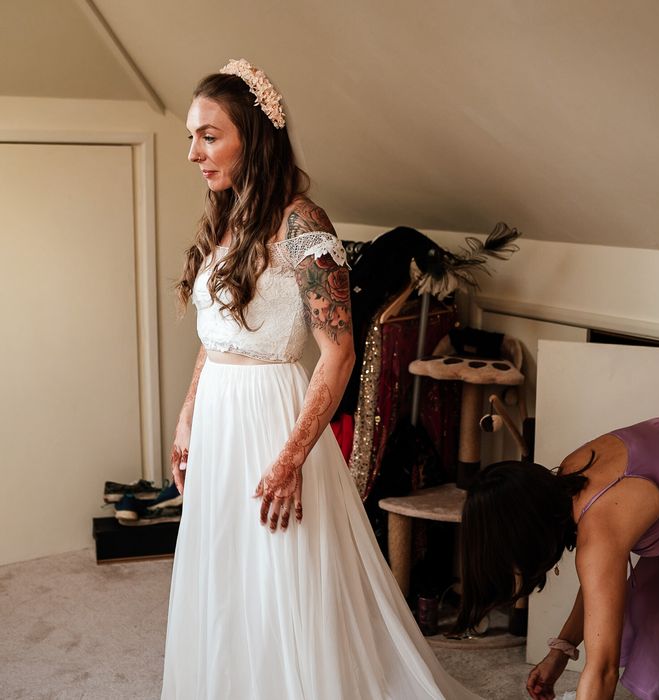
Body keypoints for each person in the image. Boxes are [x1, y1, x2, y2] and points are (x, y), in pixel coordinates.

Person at [161, 58, 479, 699]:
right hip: (219, 414)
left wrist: (291, 459)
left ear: (253, 134)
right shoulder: (227, 217)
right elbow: (218, 334)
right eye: (191, 137)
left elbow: (338, 353)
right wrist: (188, 415)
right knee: (225, 570)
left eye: (209, 135)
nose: (194, 152)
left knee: (284, 573)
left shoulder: (305, 224)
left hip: (272, 420)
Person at [456, 408, 659, 700]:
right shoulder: (572, 473)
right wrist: (560, 652)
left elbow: (602, 669)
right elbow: (599, 585)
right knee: (645, 599)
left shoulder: (602, 527)